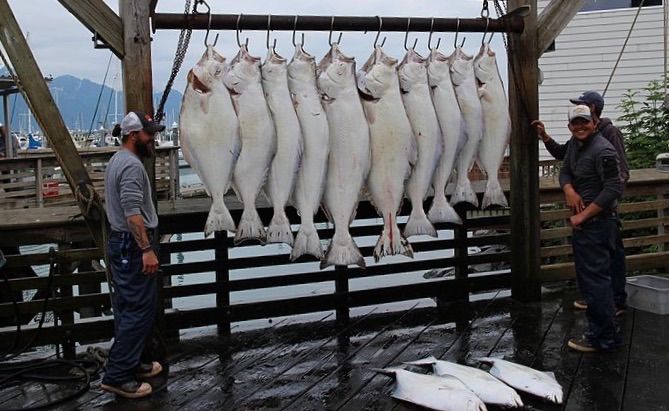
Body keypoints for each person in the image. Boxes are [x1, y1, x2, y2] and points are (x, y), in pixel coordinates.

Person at [532, 90, 628, 316]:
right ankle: (599, 304)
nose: (579, 125)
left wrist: (601, 205)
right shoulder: (578, 140)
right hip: (587, 215)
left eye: (582, 106)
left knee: (609, 263)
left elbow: (619, 176)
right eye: (574, 121)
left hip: (603, 212)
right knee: (595, 270)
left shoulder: (609, 135)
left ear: (592, 111)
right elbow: (563, 158)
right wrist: (545, 137)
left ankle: (616, 304)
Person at [100, 111, 165, 398]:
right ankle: (117, 376)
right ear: (132, 135)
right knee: (138, 311)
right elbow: (132, 213)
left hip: (123, 244)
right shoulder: (131, 166)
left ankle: (132, 362)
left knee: (129, 308)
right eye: (148, 133)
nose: (153, 138)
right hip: (132, 245)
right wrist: (146, 249)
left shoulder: (118, 159)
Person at [560, 105, 623, 352]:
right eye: (575, 123)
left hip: (599, 224)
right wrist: (569, 191)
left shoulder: (604, 150)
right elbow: (564, 171)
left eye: (584, 122)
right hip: (586, 227)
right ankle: (601, 332)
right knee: (591, 283)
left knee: (597, 284)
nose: (580, 126)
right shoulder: (575, 145)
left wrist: (582, 216)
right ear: (570, 127)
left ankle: (605, 338)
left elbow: (613, 189)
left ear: (594, 123)